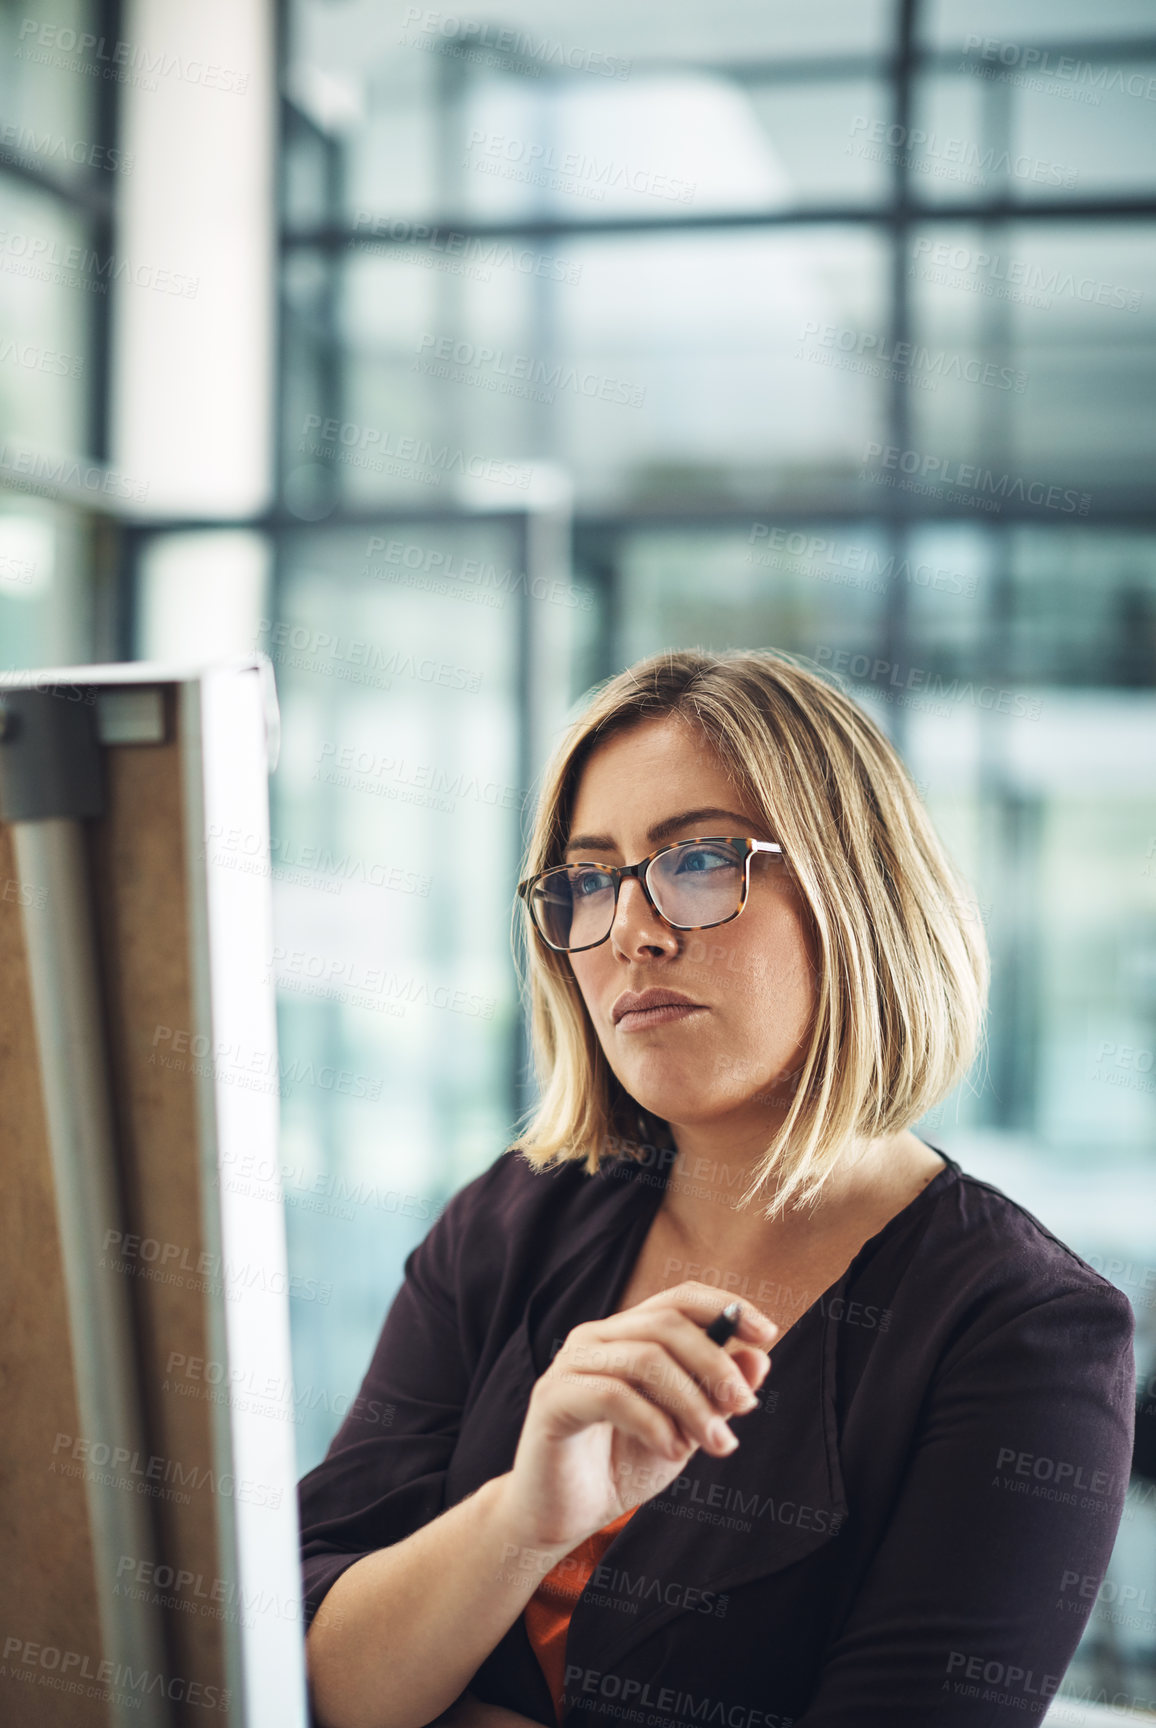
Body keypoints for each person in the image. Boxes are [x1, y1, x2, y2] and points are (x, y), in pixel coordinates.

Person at [298, 648, 1136, 1728]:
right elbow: (310, 1682)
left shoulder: (1022, 1330)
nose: (633, 930)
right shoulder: (508, 1221)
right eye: (588, 880)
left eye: (697, 860)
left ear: (853, 894)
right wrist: (522, 1523)